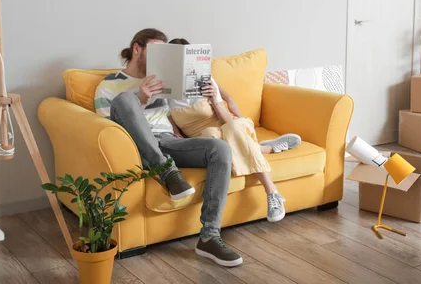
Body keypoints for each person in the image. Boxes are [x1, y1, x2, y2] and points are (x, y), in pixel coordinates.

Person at [94, 29, 242, 267]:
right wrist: (140, 99)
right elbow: (107, 130)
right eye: (155, 51)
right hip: (137, 146)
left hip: (169, 141)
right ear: (137, 49)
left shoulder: (163, 80)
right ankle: (167, 171)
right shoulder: (108, 85)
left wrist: (217, 95)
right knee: (125, 99)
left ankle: (209, 236)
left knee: (220, 149)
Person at [167, 38, 302, 222]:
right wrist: (178, 138)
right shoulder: (165, 89)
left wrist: (215, 100)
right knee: (210, 136)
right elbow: (170, 122)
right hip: (206, 139)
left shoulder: (204, 81)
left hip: (230, 125)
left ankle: (272, 193)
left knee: (229, 129)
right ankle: (265, 149)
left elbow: (229, 120)